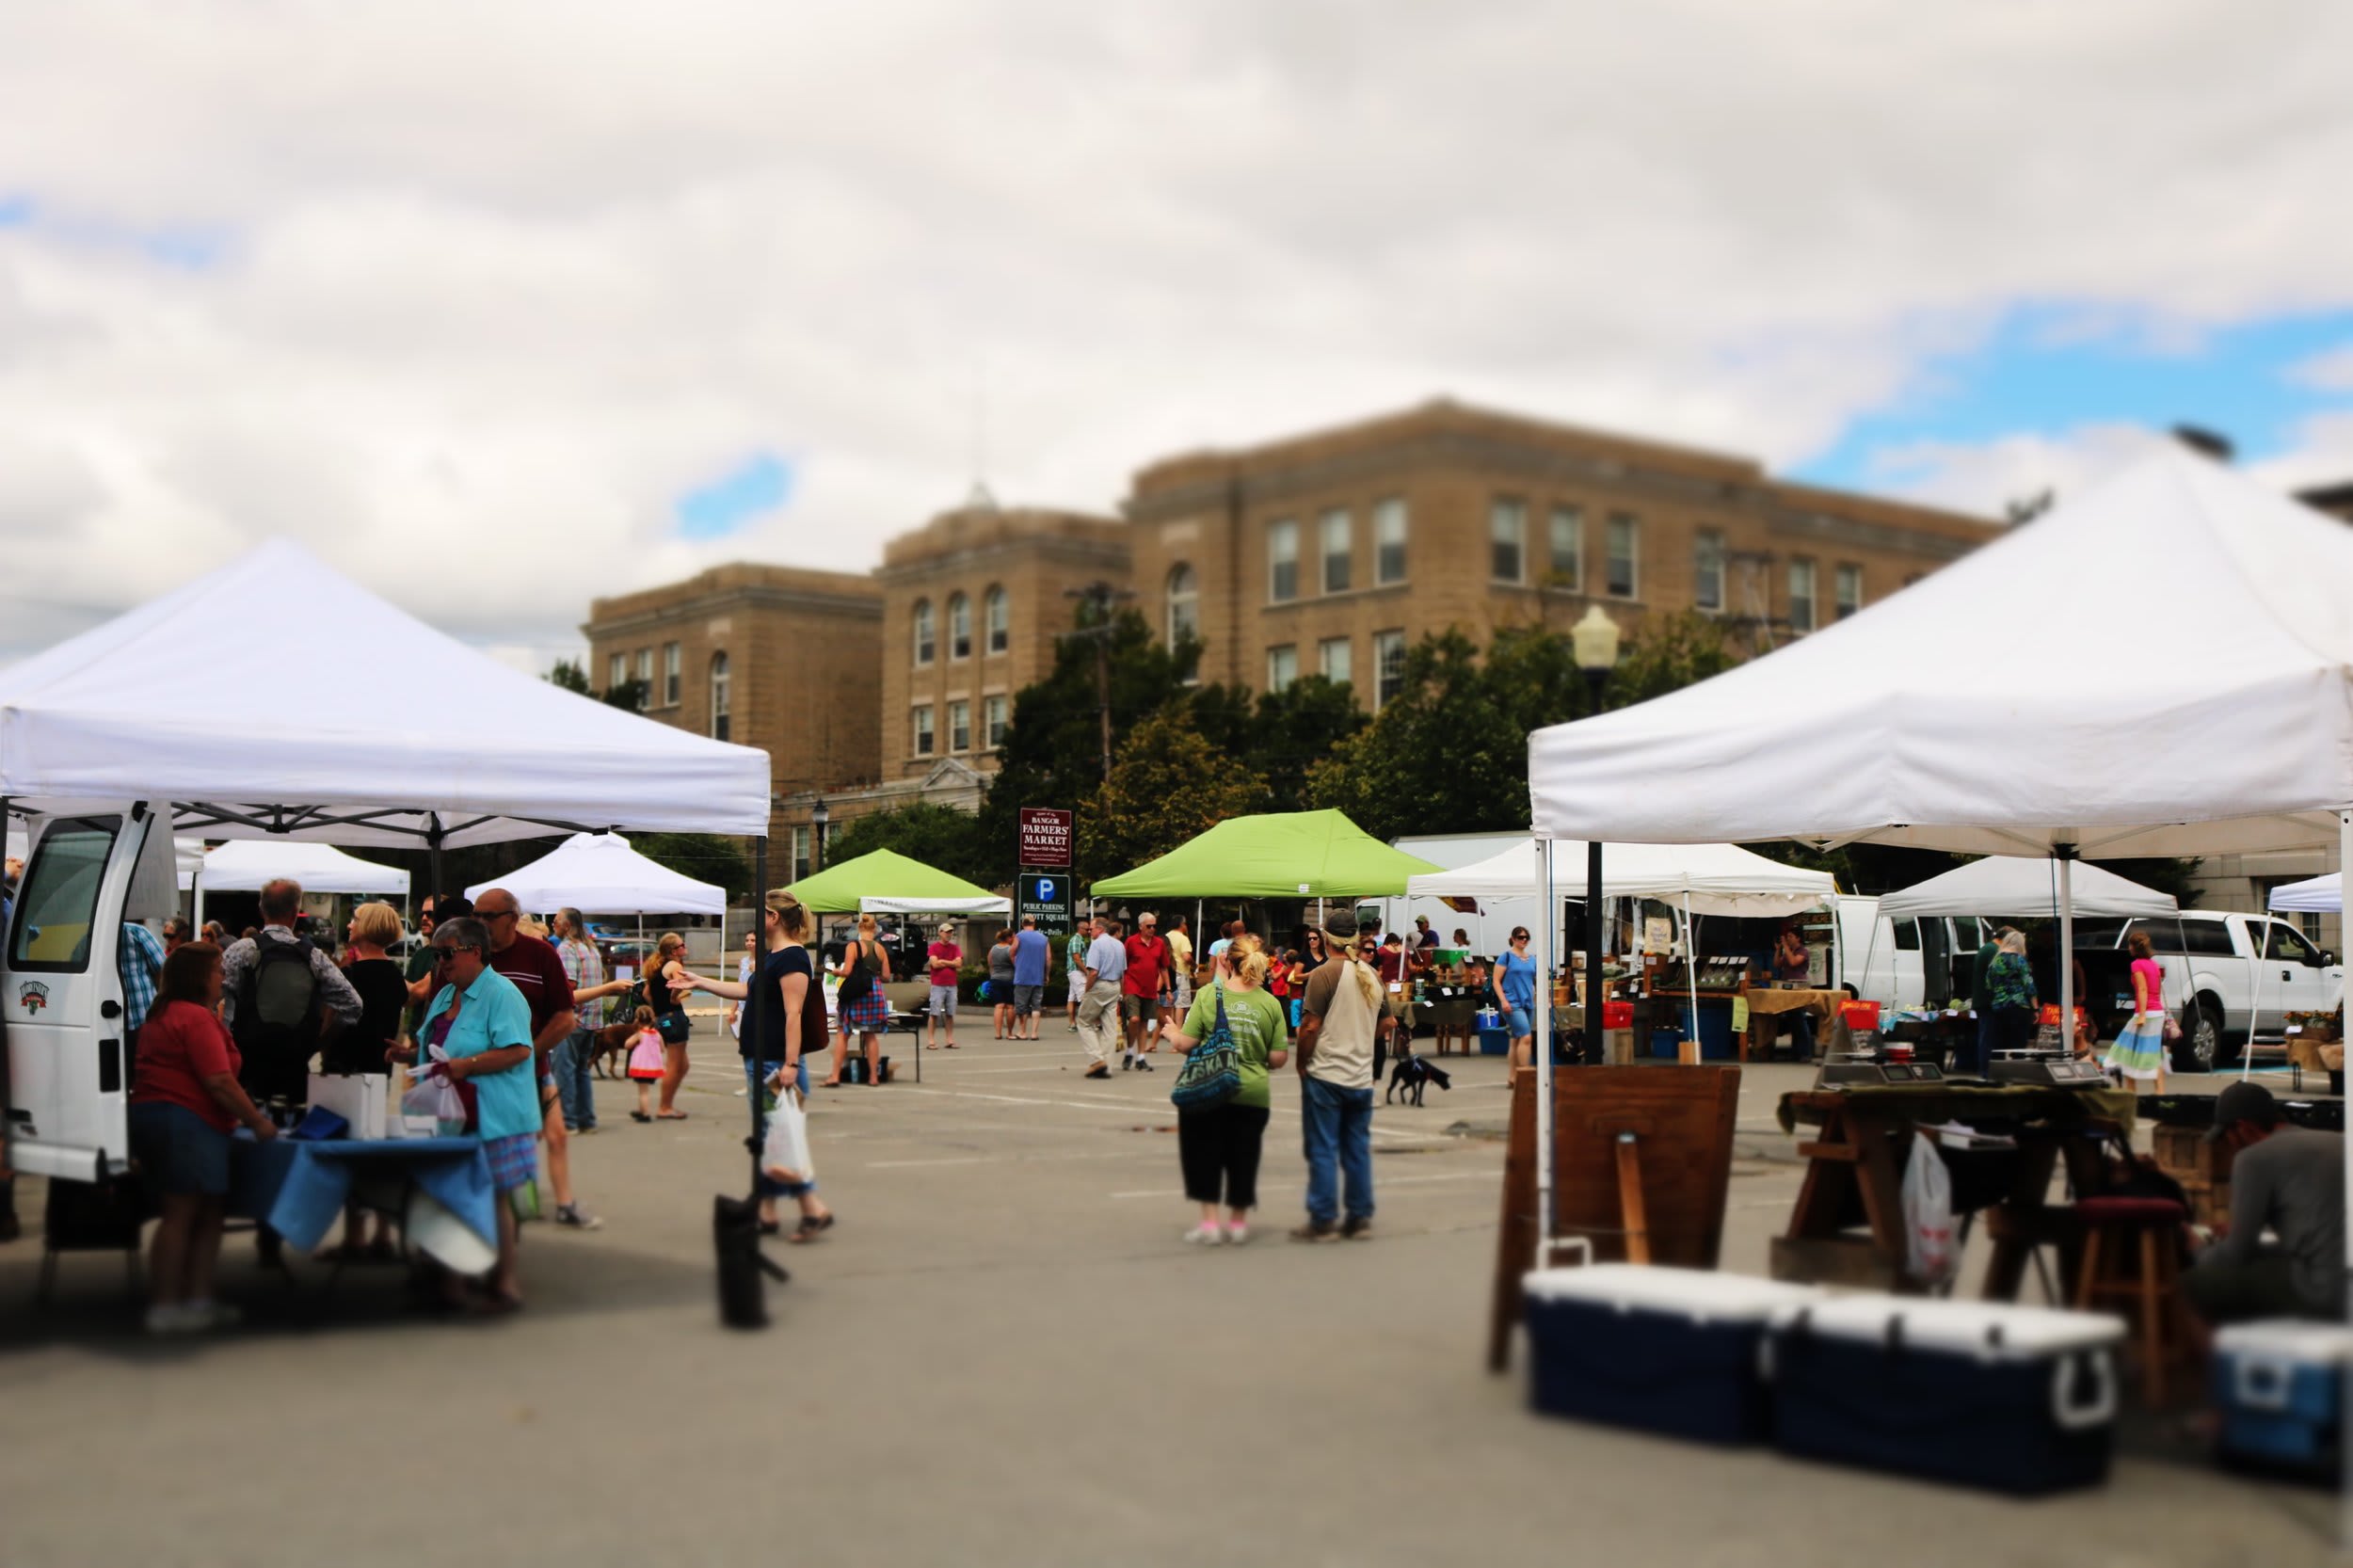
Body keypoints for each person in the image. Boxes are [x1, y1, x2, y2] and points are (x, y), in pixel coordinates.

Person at [129, 941, 277, 1334]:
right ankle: (167, 1306)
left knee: (206, 1213)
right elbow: (219, 1081)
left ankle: (197, 1299)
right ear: (198, 976)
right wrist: (257, 1121)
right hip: (186, 1121)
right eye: (217, 971)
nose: (223, 978)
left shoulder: (163, 1014)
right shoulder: (194, 1019)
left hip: (167, 1118)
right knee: (182, 1214)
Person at [677, 889, 838, 1241]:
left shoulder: (793, 958)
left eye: (760, 914)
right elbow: (747, 992)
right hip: (761, 1058)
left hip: (774, 1061)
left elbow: (794, 1014)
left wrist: (791, 1064)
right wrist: (700, 981)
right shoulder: (771, 956)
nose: (756, 922)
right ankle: (768, 1210)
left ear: (774, 918)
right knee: (774, 1136)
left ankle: (811, 1207)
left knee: (776, 1137)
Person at [400, 916, 538, 1312]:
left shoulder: (502, 993)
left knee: (495, 1200)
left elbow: (519, 1050)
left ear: (474, 952)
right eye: (436, 954)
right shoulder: (446, 995)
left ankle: (503, 1282)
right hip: (451, 1115)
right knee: (451, 1198)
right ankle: (453, 1283)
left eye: (447, 954)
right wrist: (407, 1055)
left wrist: (467, 1066)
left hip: (495, 1116)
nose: (441, 962)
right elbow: (439, 1048)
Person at [471, 888, 596, 1228]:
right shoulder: (468, 953)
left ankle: (561, 1204)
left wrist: (528, 1055)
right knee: (493, 1145)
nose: (479, 922)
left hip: (532, 1071)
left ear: (512, 919)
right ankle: (498, 1210)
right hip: (477, 1072)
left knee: (553, 1136)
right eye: (475, 915)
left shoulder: (540, 954)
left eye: (487, 916)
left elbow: (565, 1018)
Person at [2181, 1081, 2346, 1326]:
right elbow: (2319, 1237)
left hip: (2325, 1292)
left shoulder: (2253, 1158)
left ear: (2242, 1128)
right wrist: (2240, 1237)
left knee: (2188, 1284)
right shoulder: (2338, 1142)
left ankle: (2212, 1350)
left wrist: (2198, 1250)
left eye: (2226, 1137)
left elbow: (2236, 1254)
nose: (2229, 1145)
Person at [1170, 935, 1289, 1244]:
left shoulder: (1209, 994)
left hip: (1211, 1088)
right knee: (1244, 1158)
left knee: (1204, 1154)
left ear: (1227, 961)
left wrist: (1171, 1032)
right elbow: (1278, 1058)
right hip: (1252, 1092)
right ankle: (1237, 1223)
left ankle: (1210, 1223)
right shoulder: (1270, 1003)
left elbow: (1186, 1044)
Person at [220, 878, 363, 1105]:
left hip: (247, 1062)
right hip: (296, 1062)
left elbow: (219, 998)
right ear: (296, 912)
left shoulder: (241, 950)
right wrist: (319, 1042)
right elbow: (353, 1004)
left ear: (261, 909)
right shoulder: (313, 956)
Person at [325, 901, 410, 1259]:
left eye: (355, 919)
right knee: (372, 1151)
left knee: (348, 1156)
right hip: (378, 1070)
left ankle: (355, 1237)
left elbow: (331, 1023)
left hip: (346, 1069)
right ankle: (382, 1232)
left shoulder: (351, 976)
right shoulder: (394, 976)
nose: (349, 925)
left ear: (369, 927)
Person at [1294, 917, 1379, 1241]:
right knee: (1357, 1147)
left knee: (1324, 1148)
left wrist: (1302, 1062)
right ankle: (1359, 1217)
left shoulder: (1323, 974)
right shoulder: (1370, 974)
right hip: (1361, 1074)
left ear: (1326, 939)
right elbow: (1388, 1024)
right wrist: (1361, 1038)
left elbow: (1310, 1027)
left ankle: (1323, 1219)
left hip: (1328, 1072)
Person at [552, 907, 629, 1131]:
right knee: (582, 1070)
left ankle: (568, 1122)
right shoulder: (591, 948)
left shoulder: (566, 949)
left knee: (564, 1071)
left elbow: (569, 987)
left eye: (556, 921)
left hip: (573, 1018)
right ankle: (586, 1120)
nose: (553, 925)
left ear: (567, 925)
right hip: (593, 1019)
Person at [827, 913, 889, 1085]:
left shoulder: (853, 946)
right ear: (874, 930)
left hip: (856, 992)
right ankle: (873, 1077)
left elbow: (847, 972)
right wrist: (872, 974)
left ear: (859, 929)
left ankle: (835, 1076)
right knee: (870, 1035)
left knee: (843, 1033)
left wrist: (837, 972)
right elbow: (886, 976)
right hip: (874, 991)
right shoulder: (880, 948)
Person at [2105, 928, 2169, 1092]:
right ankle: (2160, 1094)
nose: (2128, 948)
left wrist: (2141, 1015)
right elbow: (2157, 990)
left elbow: (2142, 988)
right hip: (2157, 1013)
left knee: (2125, 1052)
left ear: (2135, 947)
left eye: (2130, 945)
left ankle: (2131, 1093)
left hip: (2146, 1014)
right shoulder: (2154, 965)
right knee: (2153, 1054)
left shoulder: (2136, 964)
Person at [644, 931, 692, 1119]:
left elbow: (647, 993)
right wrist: (674, 998)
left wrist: (657, 1009)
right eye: (682, 945)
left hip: (663, 1018)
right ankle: (665, 1107)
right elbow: (680, 985)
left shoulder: (657, 967)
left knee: (683, 1065)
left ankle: (667, 1103)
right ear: (673, 951)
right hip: (674, 1017)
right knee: (674, 1065)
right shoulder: (674, 965)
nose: (685, 947)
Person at [1076, 916, 1127, 1080]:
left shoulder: (1097, 944)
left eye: (1091, 929)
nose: (1089, 932)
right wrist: (1122, 993)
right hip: (1115, 986)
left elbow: (1093, 972)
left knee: (1084, 1022)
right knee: (1110, 1028)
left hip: (1100, 985)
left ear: (1100, 929)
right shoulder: (1119, 945)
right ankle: (1107, 1066)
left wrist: (1086, 991)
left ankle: (1097, 1059)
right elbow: (1123, 973)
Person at [1982, 928, 2038, 1075]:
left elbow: (1988, 985)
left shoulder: (1995, 961)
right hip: (2019, 1008)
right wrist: (2035, 1008)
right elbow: (2029, 986)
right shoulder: (2019, 960)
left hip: (1999, 1008)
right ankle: (2017, 1074)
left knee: (1999, 1045)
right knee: (2018, 1045)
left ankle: (1997, 1075)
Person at [1122, 912, 1170, 1068]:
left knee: (1144, 1023)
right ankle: (1130, 1050)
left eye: (1154, 926)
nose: (1152, 929)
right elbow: (1123, 966)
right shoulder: (1131, 942)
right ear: (1141, 926)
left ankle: (1141, 1057)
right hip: (1133, 986)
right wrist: (1122, 989)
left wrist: (1168, 988)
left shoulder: (1159, 943)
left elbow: (1163, 967)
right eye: (1149, 926)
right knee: (1134, 1019)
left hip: (1150, 989)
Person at [1493, 925, 1538, 1072]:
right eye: (1520, 937)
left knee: (1516, 1039)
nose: (1524, 940)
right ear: (1513, 939)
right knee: (1526, 1037)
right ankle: (1524, 1073)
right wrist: (1503, 1000)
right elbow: (1496, 980)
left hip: (1528, 1002)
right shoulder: (1506, 957)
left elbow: (1535, 981)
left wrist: (1543, 998)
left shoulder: (1532, 959)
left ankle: (1513, 1076)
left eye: (1526, 937)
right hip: (1512, 1002)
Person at [1011, 915, 1049, 1041]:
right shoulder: (1044, 938)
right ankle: (1034, 1033)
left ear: (1023, 924)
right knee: (1036, 1005)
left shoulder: (1019, 936)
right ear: (1034, 924)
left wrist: (1016, 963)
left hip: (1022, 976)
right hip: (1038, 976)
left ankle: (1022, 1032)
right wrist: (1046, 974)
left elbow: (1012, 951)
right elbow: (1048, 958)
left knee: (1022, 1006)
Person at [624, 1006, 665, 1120]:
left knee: (643, 1092)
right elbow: (662, 1049)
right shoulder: (656, 1034)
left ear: (637, 1019)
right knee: (644, 1090)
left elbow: (627, 1044)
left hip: (641, 1067)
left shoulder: (640, 1034)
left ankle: (645, 1113)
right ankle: (641, 1110)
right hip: (653, 1067)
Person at [925, 922, 962, 1049]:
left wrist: (944, 961)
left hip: (952, 984)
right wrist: (951, 962)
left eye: (950, 932)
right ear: (940, 933)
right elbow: (935, 964)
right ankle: (931, 1040)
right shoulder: (934, 948)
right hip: (938, 984)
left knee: (950, 1013)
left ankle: (949, 1039)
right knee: (934, 1013)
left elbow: (959, 963)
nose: (949, 934)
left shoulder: (955, 948)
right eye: (946, 932)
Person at [1163, 915, 1195, 1032]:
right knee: (1180, 1003)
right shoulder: (1183, 938)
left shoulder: (1166, 936)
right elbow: (1186, 957)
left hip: (1166, 973)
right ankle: (1178, 1029)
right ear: (1182, 925)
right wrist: (1194, 965)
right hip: (1180, 972)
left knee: (1169, 1002)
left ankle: (1168, 1028)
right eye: (1185, 924)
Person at [988, 927, 1017, 1041]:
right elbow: (1015, 964)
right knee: (1010, 1007)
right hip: (1009, 980)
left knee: (998, 1006)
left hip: (995, 979)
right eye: (1013, 937)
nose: (1014, 939)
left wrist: (993, 974)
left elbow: (990, 962)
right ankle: (1009, 1033)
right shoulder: (1010, 950)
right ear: (1009, 938)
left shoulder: (993, 948)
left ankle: (998, 1033)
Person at [1065, 925, 1089, 1032]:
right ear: (1080, 929)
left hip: (1074, 972)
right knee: (1084, 997)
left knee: (1072, 998)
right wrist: (1086, 971)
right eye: (1087, 929)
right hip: (1077, 972)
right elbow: (1076, 958)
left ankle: (1072, 1023)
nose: (1089, 931)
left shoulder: (1079, 940)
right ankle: (1085, 1023)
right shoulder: (1076, 940)